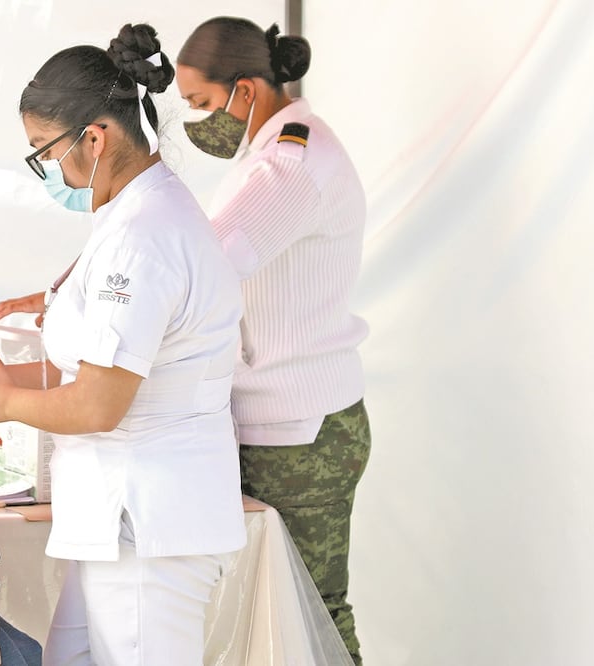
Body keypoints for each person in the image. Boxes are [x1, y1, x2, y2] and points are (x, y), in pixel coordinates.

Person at [0, 24, 248, 666]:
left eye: (44, 153)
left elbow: (100, 404)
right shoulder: (130, 215)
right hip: (121, 525)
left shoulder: (145, 237)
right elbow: (94, 365)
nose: (48, 170)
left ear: (95, 138)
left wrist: (6, 404)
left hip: (148, 523)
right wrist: (2, 384)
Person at [176, 17, 371, 664]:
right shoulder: (272, 154)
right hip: (283, 425)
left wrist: (75, 296)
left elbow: (200, 266)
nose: (198, 122)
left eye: (202, 105)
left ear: (247, 89)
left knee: (313, 614)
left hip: (299, 435)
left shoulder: (290, 163)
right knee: (274, 617)